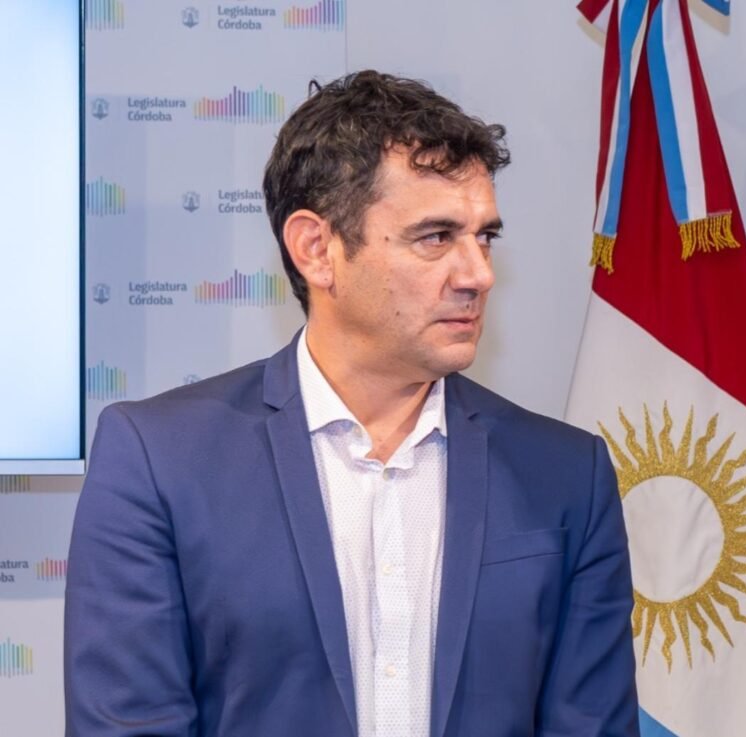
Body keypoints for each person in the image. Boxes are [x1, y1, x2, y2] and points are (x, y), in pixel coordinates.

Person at [65, 70, 639, 737]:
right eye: (436, 237)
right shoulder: (159, 461)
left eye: (485, 237)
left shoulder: (566, 475)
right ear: (317, 249)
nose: (478, 274)